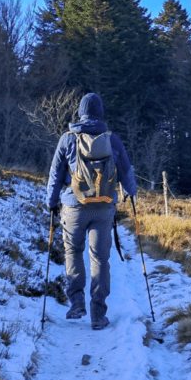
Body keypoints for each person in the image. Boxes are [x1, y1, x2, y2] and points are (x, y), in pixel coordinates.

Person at [46, 92, 137, 330]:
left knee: (73, 252)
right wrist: (131, 192)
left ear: (80, 112)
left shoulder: (68, 139)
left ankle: (77, 303)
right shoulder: (112, 139)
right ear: (101, 113)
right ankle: (98, 315)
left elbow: (56, 174)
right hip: (104, 207)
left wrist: (51, 201)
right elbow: (127, 171)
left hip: (74, 206)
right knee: (100, 259)